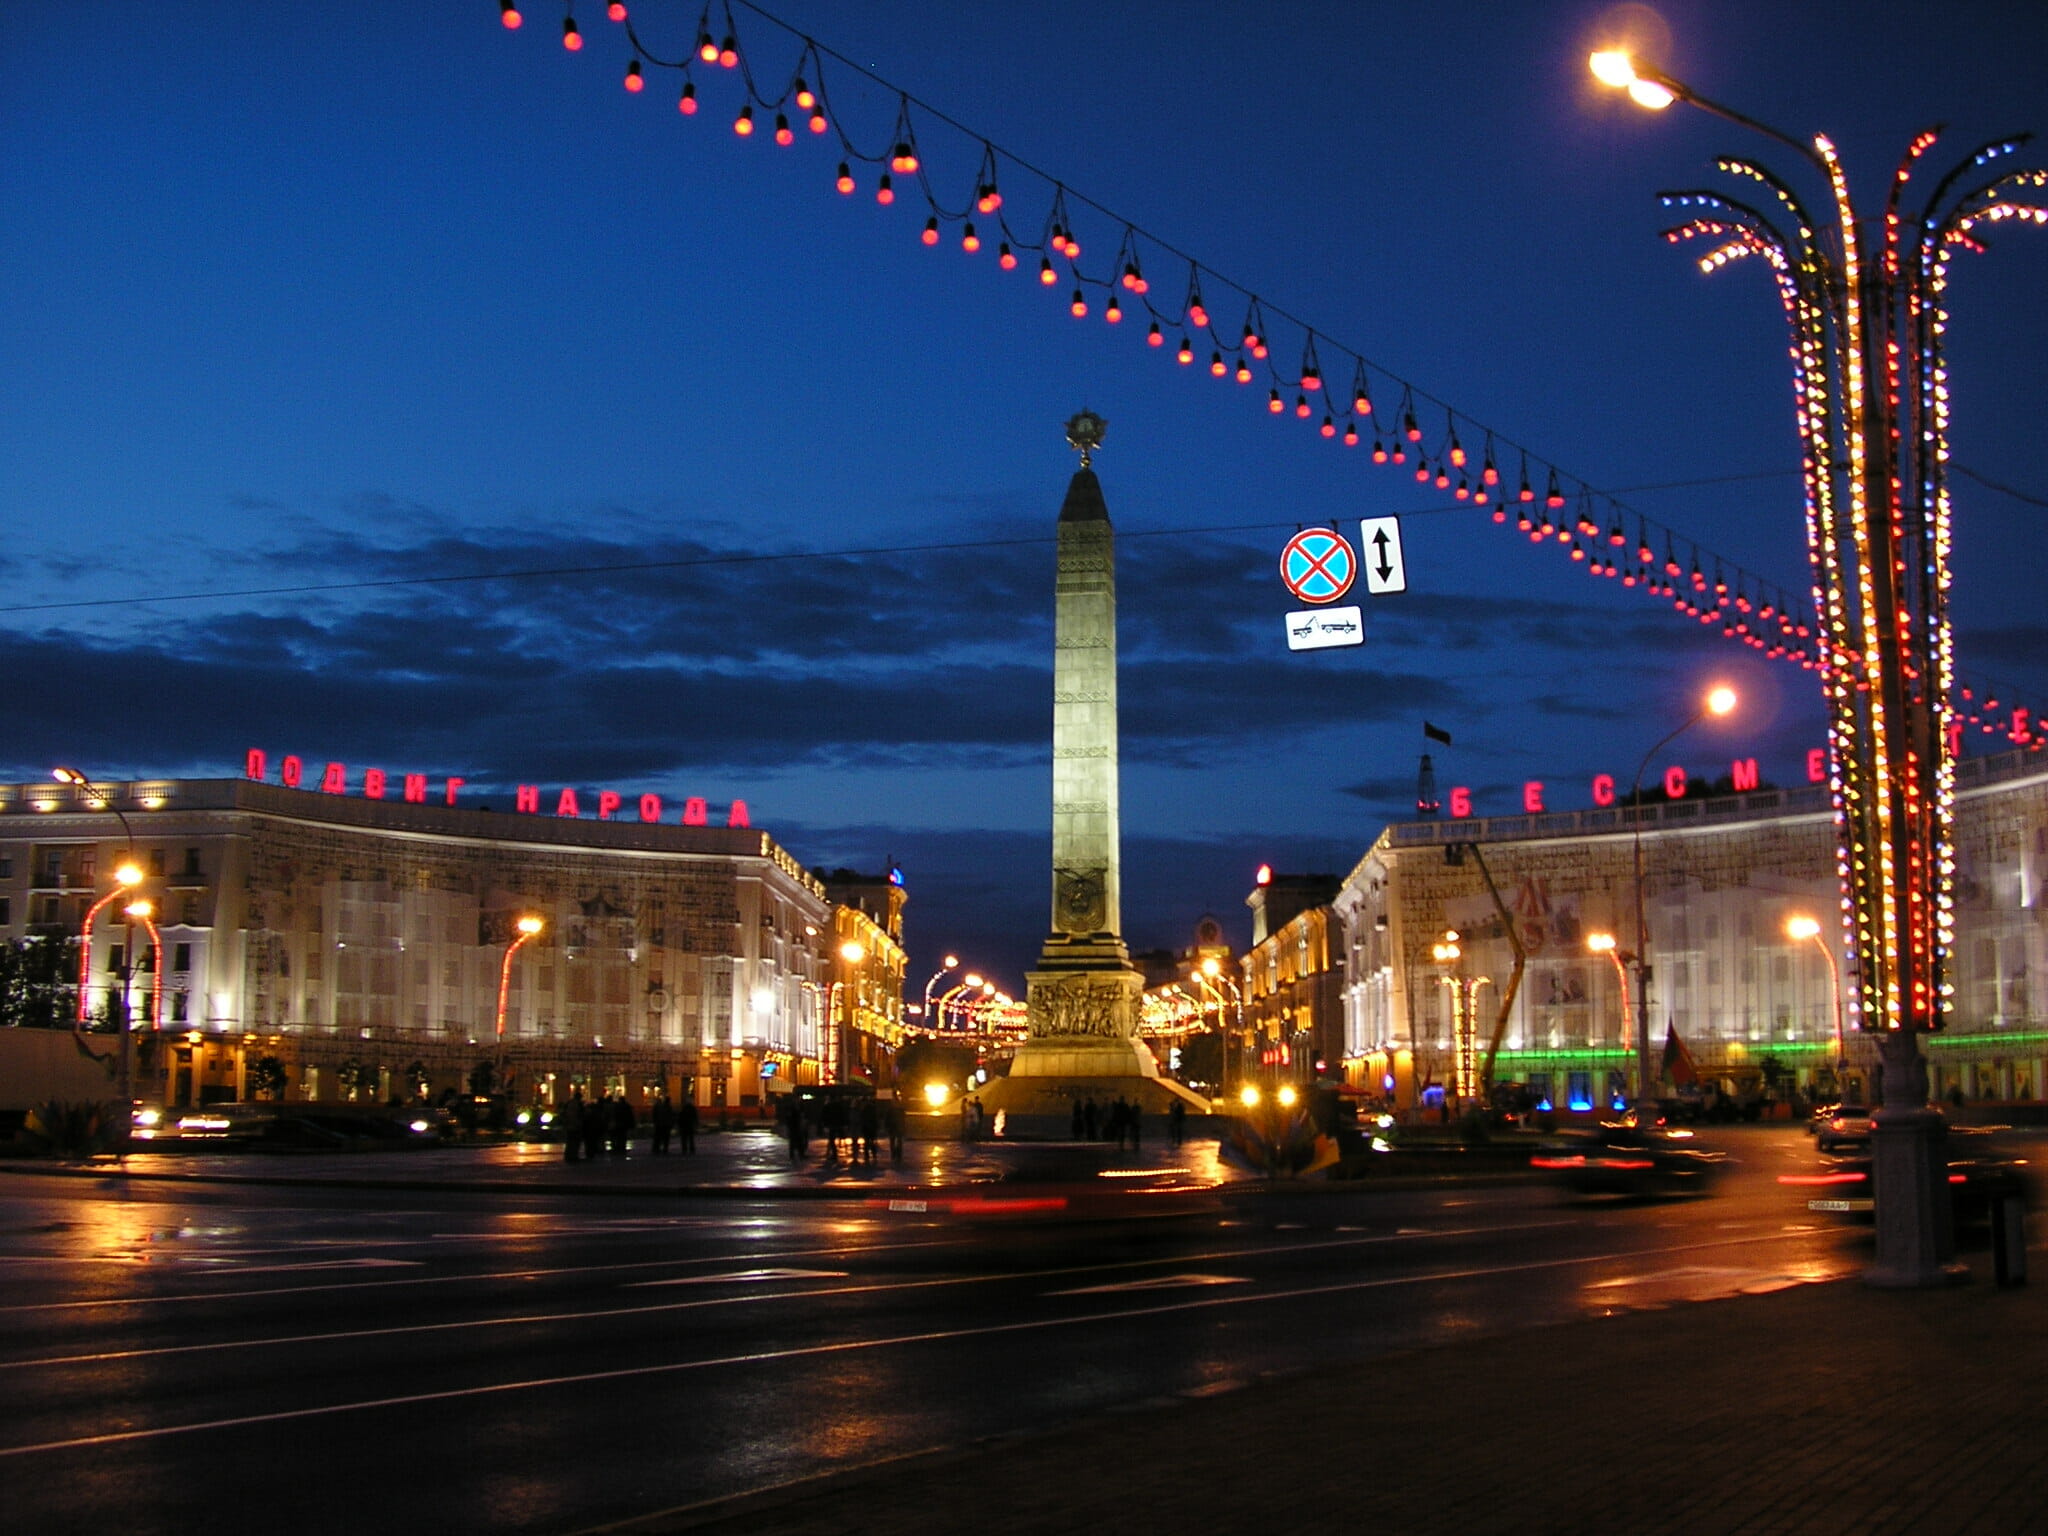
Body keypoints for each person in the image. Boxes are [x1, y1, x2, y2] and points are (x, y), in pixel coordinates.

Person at [559, 1091, 585, 1163]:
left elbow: (563, 1113)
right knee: (575, 1142)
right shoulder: (579, 1104)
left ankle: (568, 1156)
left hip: (569, 1125)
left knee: (570, 1142)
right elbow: (581, 1114)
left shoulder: (569, 1103)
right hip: (576, 1125)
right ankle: (574, 1156)